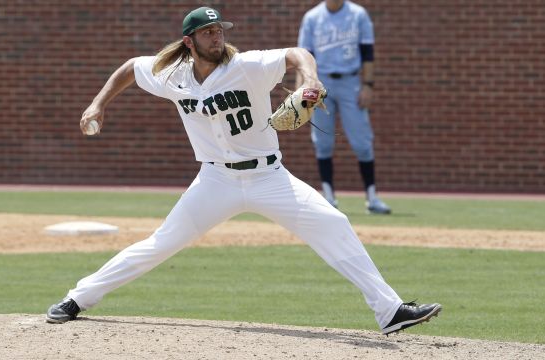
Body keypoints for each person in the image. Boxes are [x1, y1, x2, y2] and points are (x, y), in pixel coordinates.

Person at [45, 6, 441, 335]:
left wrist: (310, 78)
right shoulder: (174, 75)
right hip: (215, 180)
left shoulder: (247, 65)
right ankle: (77, 298)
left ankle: (389, 312)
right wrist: (98, 104)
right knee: (160, 243)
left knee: (334, 223)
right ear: (190, 42)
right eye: (208, 32)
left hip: (270, 177)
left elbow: (296, 53)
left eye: (220, 30)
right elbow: (132, 67)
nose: (217, 37)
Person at [297, 0, 391, 214]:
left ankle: (372, 197)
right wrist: (302, 92)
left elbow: (367, 52)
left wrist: (368, 85)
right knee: (323, 141)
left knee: (362, 142)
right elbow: (303, 57)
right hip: (321, 83)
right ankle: (329, 197)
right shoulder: (312, 17)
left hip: (351, 83)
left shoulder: (358, 14)